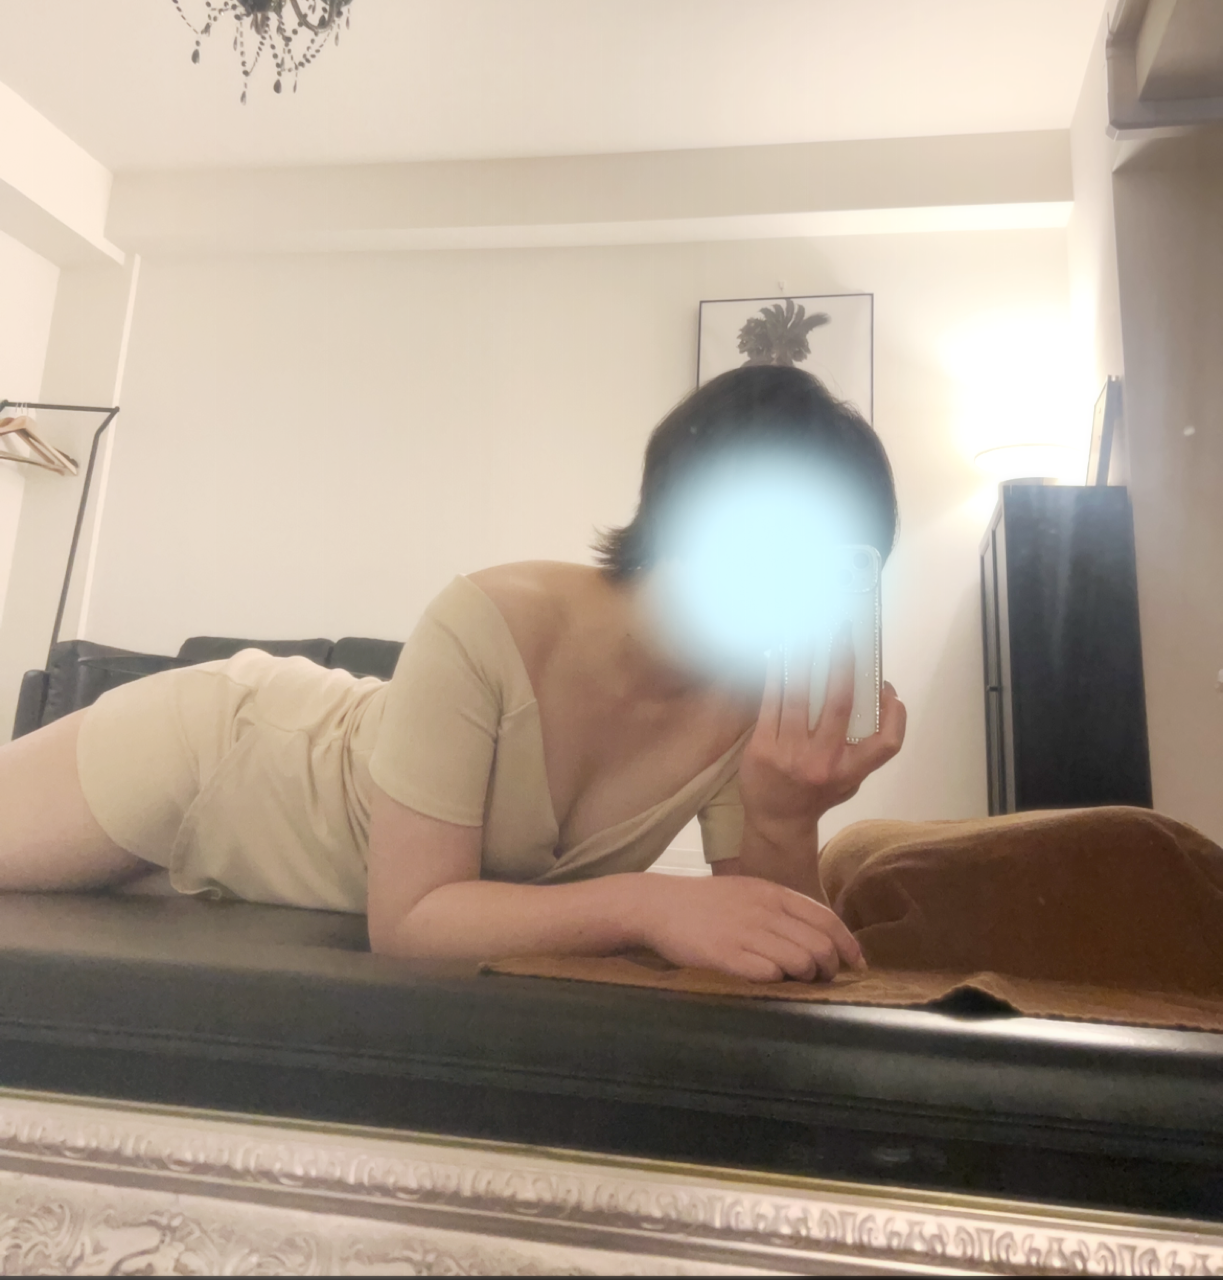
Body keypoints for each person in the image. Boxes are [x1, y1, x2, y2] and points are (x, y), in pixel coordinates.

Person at [0, 365, 906, 984]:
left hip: (279, 875)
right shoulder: (497, 616)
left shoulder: (754, 707)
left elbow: (778, 946)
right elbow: (411, 922)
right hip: (214, 756)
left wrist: (787, 812)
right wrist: (648, 904)